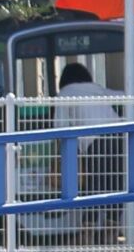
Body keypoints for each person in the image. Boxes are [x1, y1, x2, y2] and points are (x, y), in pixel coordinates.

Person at [54, 59, 127, 218]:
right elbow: (123, 96)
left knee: (92, 185)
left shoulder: (65, 93)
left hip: (94, 141)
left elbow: (59, 126)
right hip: (118, 135)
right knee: (115, 184)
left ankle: (88, 230)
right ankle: (111, 230)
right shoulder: (96, 88)